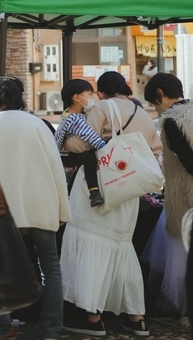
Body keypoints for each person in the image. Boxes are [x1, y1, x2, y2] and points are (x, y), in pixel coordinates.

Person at [60, 70, 162, 337]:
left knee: (90, 241)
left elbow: (82, 143)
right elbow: (153, 152)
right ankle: (136, 317)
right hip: (127, 190)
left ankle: (93, 318)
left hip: (99, 188)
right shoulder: (142, 112)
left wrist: (68, 141)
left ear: (102, 93)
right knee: (121, 248)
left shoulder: (103, 107)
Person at [0, 77, 71, 340]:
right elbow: (56, 170)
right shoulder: (38, 125)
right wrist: (63, 210)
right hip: (40, 205)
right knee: (50, 267)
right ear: (21, 98)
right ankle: (51, 330)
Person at [143, 73, 192, 317]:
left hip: (184, 197)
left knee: (183, 259)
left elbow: (188, 161)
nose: (156, 109)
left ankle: (186, 313)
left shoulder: (173, 120)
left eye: (154, 102)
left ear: (160, 94)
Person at [55, 79, 106, 207]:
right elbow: (89, 135)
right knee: (90, 159)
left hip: (72, 154)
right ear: (77, 97)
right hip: (79, 154)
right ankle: (94, 192)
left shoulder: (72, 114)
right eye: (89, 94)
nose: (92, 97)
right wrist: (104, 147)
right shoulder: (74, 118)